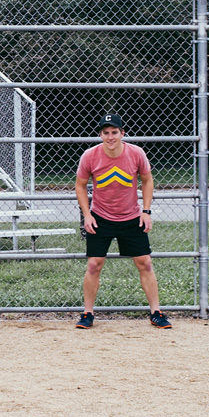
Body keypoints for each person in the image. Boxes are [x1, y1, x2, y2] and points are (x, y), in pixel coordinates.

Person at [74, 113, 172, 331]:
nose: (110, 137)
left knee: (144, 263)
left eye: (114, 132)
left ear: (122, 133)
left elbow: (147, 180)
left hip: (131, 217)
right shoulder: (90, 156)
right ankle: (87, 313)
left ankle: (156, 312)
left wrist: (146, 211)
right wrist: (87, 214)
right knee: (93, 265)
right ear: (100, 135)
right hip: (101, 217)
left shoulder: (136, 153)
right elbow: (80, 185)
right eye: (106, 133)